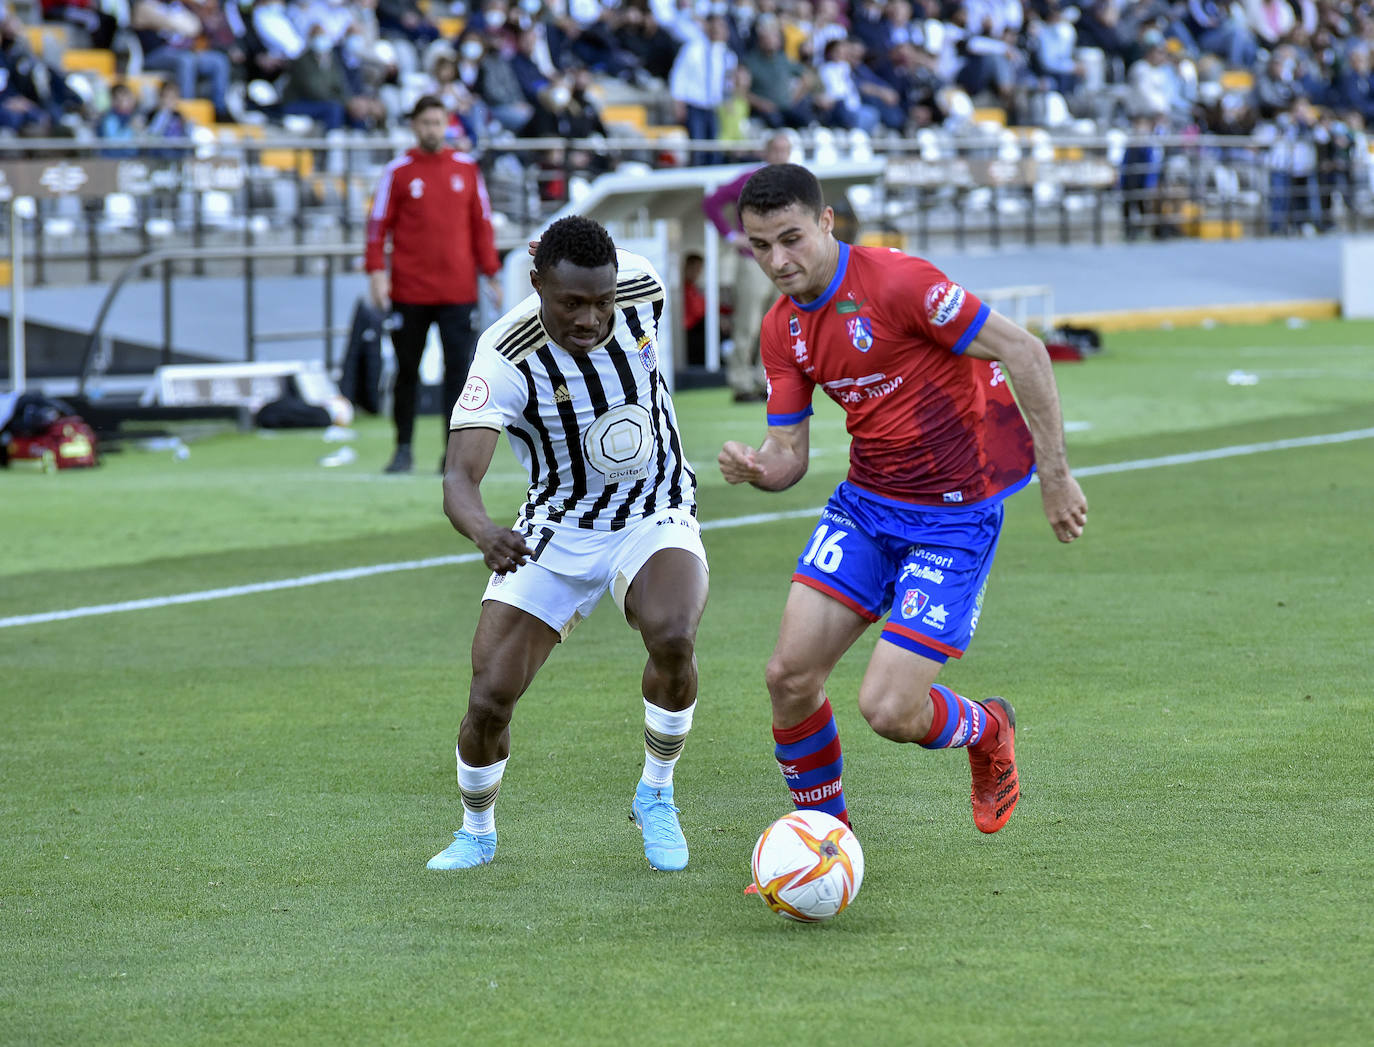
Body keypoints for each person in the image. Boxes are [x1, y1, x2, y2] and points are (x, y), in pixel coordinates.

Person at [717, 163, 1087, 838]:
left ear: (828, 223)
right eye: (760, 246)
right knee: (788, 676)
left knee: (889, 710)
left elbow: (1026, 352)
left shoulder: (899, 283)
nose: (777, 259)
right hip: (864, 509)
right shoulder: (781, 329)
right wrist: (756, 469)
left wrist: (1056, 476)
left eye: (791, 238)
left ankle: (988, 728)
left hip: (952, 520)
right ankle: (825, 839)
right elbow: (789, 457)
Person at [426, 215, 710, 872]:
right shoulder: (505, 352)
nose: (590, 318)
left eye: (601, 302)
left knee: (672, 633)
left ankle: (657, 793)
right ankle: (476, 831)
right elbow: (458, 477)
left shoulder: (643, 284)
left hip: (654, 507)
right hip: (557, 528)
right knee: (490, 694)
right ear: (536, 287)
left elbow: (583, 251)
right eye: (571, 303)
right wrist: (485, 530)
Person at [365, 95, 502, 474]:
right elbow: (377, 226)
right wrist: (377, 272)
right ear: (414, 125)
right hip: (410, 291)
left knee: (459, 375)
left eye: (438, 122)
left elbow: (482, 224)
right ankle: (403, 449)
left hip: (458, 292)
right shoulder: (399, 171)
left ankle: (452, 456)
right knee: (406, 371)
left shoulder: (467, 169)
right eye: (425, 122)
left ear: (447, 125)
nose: (432, 129)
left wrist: (492, 274)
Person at [701, 131, 793, 401]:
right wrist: (732, 235)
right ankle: (741, 382)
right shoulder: (750, 178)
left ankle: (765, 380)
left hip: (782, 260)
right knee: (749, 324)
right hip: (754, 259)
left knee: (775, 326)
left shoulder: (791, 182)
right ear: (766, 152)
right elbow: (711, 203)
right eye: (776, 150)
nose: (781, 155)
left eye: (785, 150)